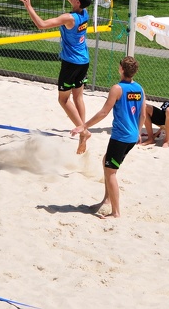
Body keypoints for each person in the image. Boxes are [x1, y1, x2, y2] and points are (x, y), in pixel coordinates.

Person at [20, 0, 92, 152]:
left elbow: (41, 25)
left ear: (77, 1)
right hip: (84, 60)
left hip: (71, 63)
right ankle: (82, 130)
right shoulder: (84, 13)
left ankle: (83, 132)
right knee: (78, 98)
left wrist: (29, 7)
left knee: (63, 100)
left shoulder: (69, 18)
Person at [71, 56, 144, 218]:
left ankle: (115, 211)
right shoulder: (139, 88)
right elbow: (143, 115)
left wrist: (84, 126)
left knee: (111, 172)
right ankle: (106, 200)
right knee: (106, 161)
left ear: (122, 69)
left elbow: (104, 112)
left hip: (121, 137)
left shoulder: (117, 89)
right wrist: (138, 132)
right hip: (132, 136)